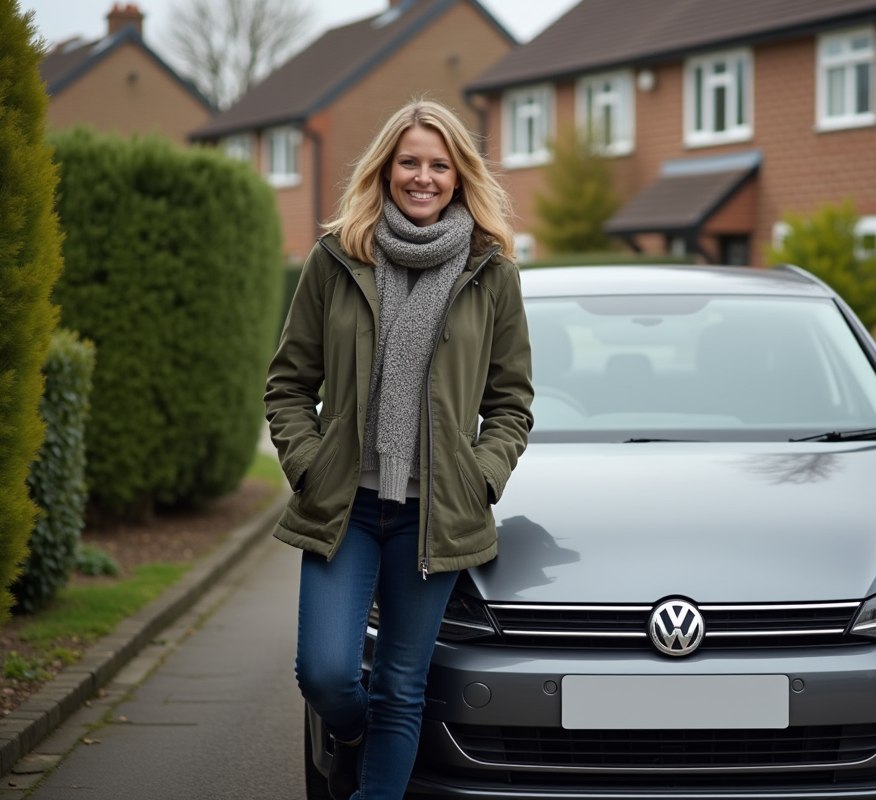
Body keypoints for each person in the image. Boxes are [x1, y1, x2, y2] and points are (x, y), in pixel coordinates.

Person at [264, 99, 533, 800]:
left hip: (435, 516)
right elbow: (289, 384)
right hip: (345, 507)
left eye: (439, 165)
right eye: (409, 162)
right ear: (386, 169)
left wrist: (480, 478)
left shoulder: (491, 272)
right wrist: (309, 465)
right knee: (325, 674)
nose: (423, 177)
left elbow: (511, 403)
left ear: (458, 175)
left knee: (401, 687)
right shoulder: (337, 258)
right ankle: (351, 736)